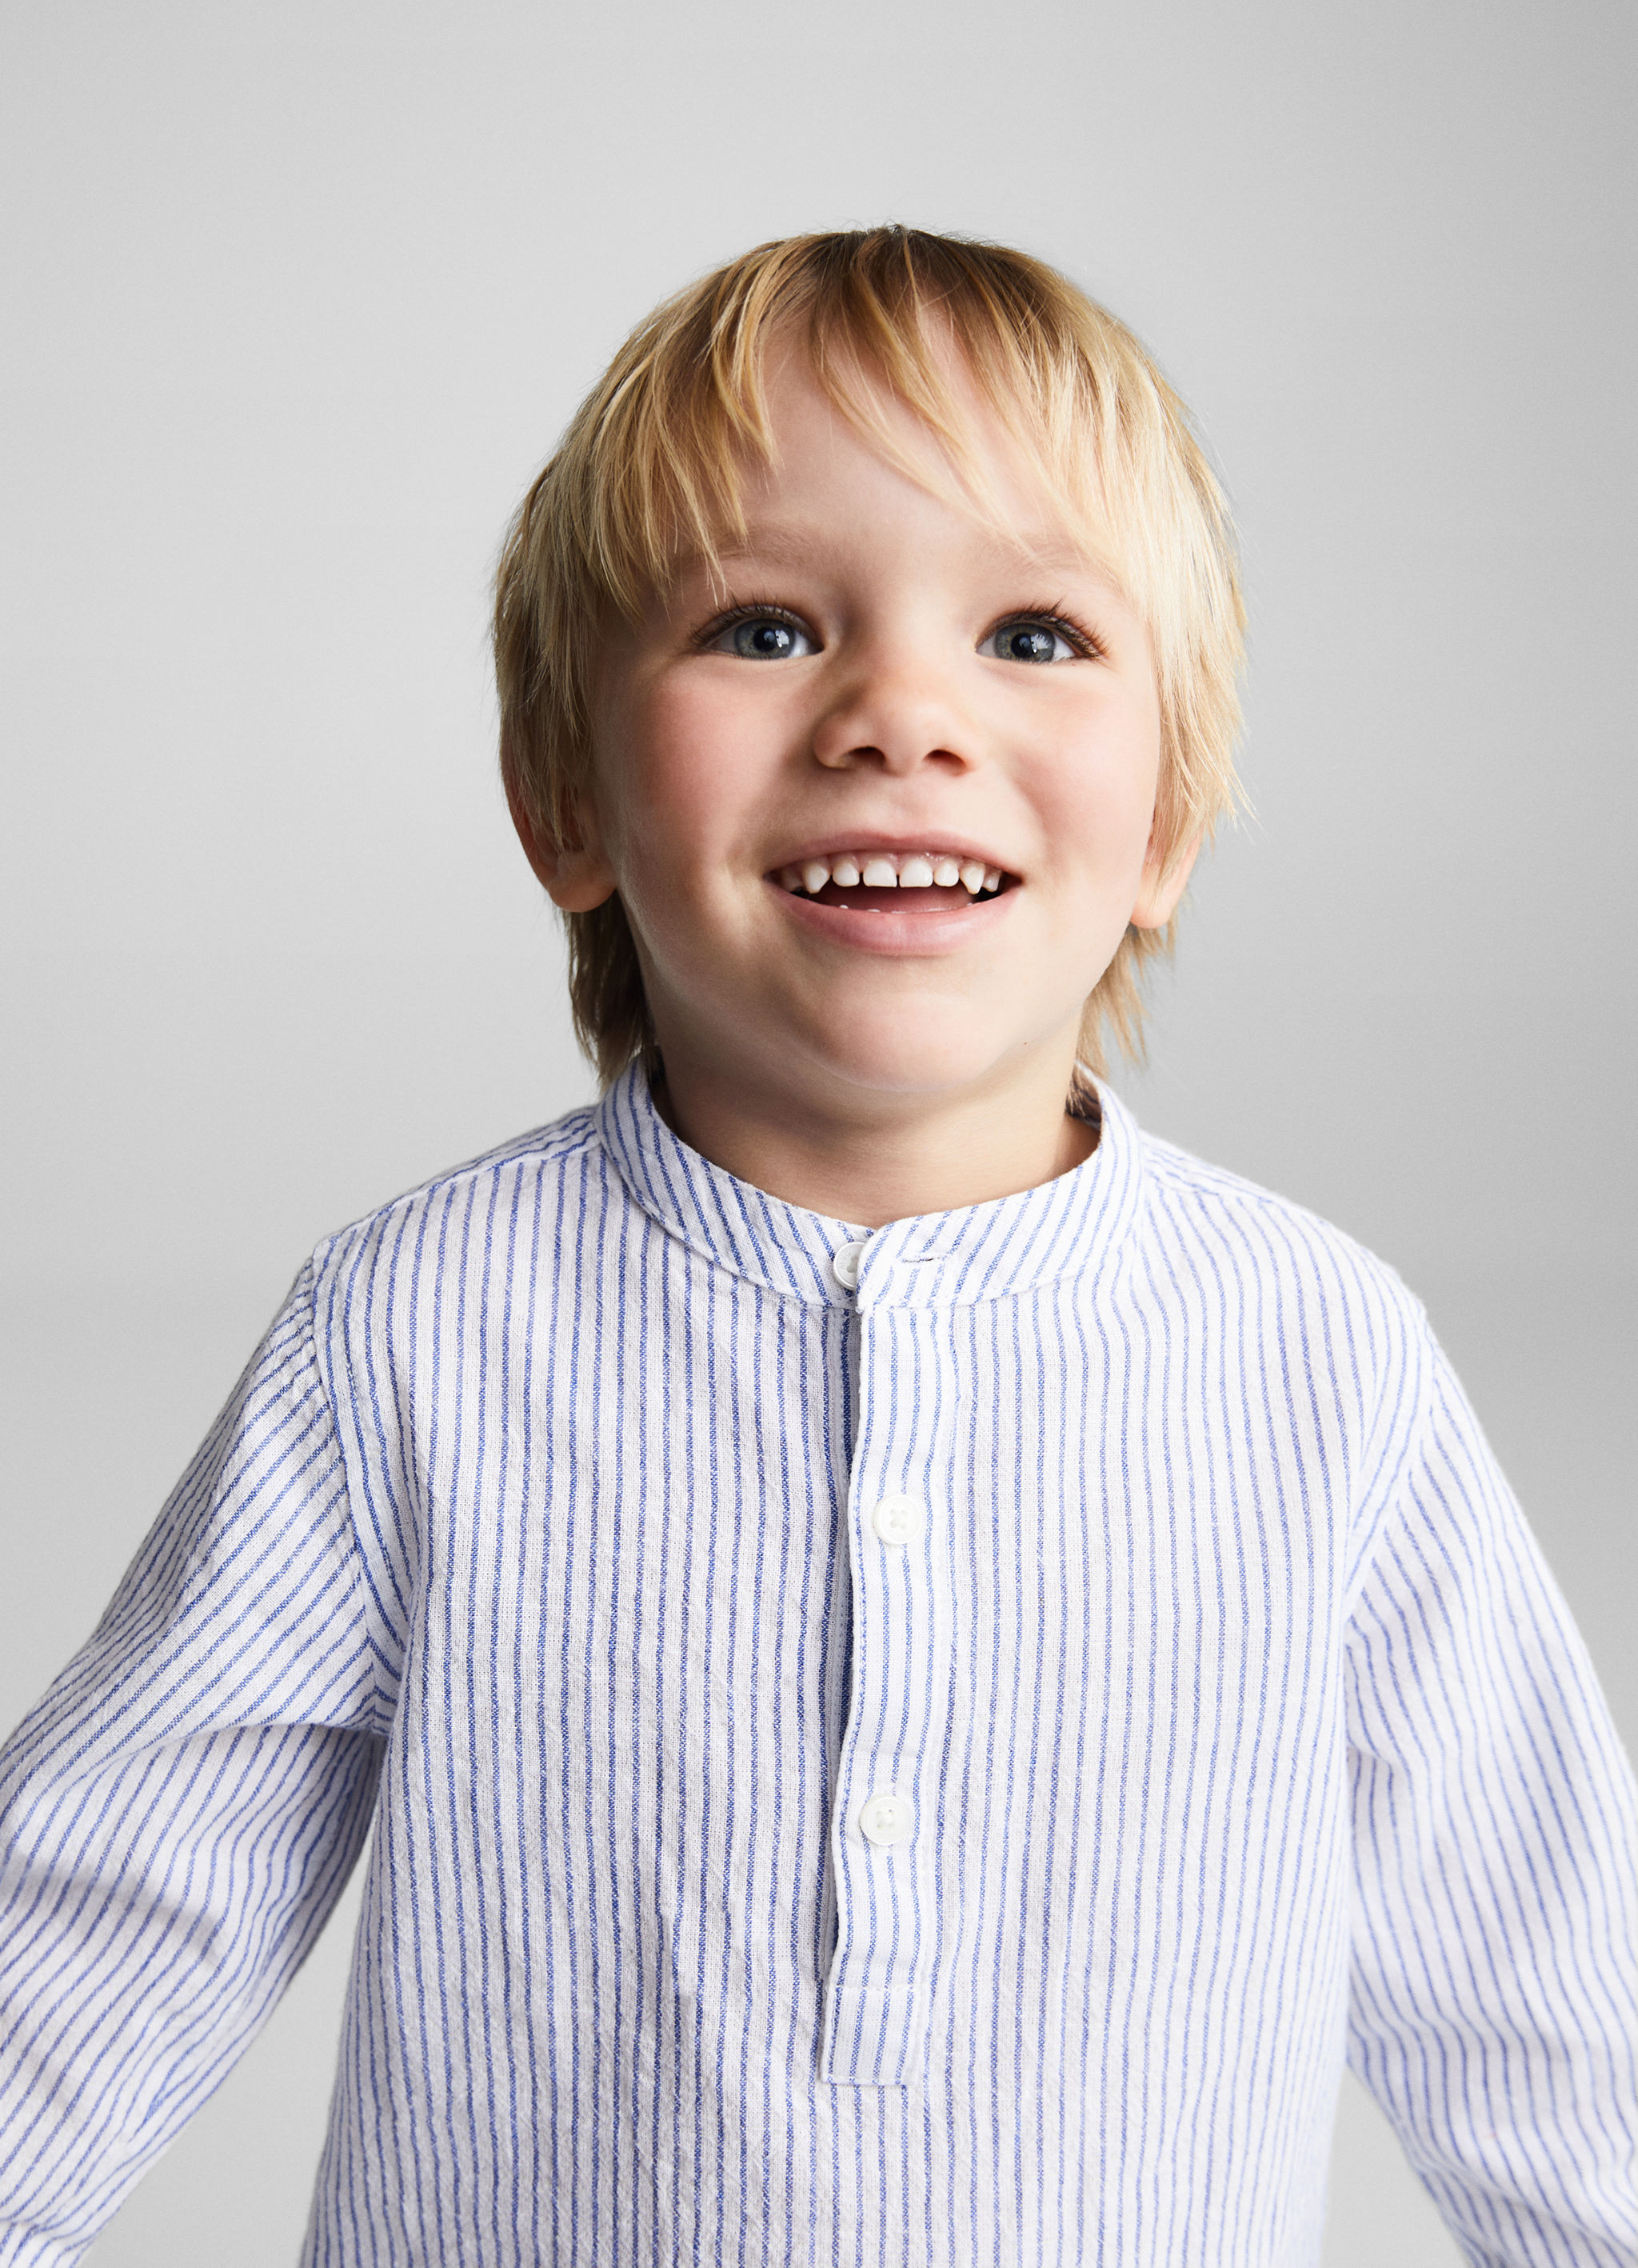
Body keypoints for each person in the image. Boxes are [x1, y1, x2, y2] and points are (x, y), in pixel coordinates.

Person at [0, 226, 1632, 2268]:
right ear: (561, 796)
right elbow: (78, 1945)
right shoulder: (408, 1338)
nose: (900, 711)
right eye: (765, 627)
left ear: (1168, 823)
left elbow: (1563, 2040)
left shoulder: (1319, 1362)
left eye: (1033, 634)